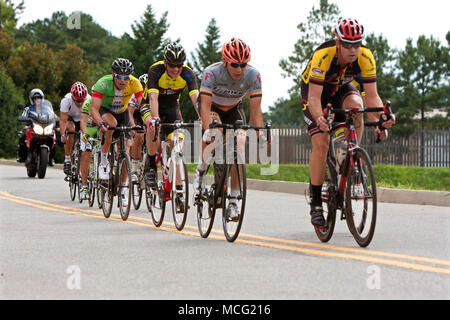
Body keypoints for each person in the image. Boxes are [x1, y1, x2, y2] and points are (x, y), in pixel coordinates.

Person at [300, 18, 396, 228]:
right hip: (316, 94)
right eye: (347, 45)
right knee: (322, 143)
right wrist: (319, 118)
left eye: (357, 44)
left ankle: (351, 156)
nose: (353, 50)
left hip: (342, 90)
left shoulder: (366, 57)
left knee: (357, 105)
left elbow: (372, 96)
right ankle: (316, 203)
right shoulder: (323, 56)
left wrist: (381, 120)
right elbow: (314, 99)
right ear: (338, 42)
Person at [193, 37, 265, 220]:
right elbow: (205, 107)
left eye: (243, 64)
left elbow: (256, 109)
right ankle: (201, 170)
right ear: (225, 62)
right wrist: (206, 130)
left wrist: (260, 132)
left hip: (234, 109)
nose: (239, 69)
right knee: (214, 134)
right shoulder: (212, 73)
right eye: (234, 65)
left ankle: (233, 201)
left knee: (240, 144)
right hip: (213, 108)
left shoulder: (253, 75)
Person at [140, 41, 199, 210]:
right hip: (150, 105)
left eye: (179, 66)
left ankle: (179, 193)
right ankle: (151, 166)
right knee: (153, 126)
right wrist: (155, 118)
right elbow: (153, 98)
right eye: (172, 65)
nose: (175, 70)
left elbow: (196, 99)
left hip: (172, 108)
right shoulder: (155, 70)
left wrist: (203, 118)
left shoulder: (188, 74)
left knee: (177, 148)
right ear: (165, 63)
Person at [90, 58, 143, 207]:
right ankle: (104, 161)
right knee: (111, 125)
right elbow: (94, 108)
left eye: (126, 77)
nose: (123, 80)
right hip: (105, 111)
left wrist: (146, 121)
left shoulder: (135, 83)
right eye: (120, 76)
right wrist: (100, 123)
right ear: (113, 75)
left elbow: (142, 104)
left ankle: (123, 188)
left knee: (127, 146)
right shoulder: (103, 83)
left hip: (122, 112)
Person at [17, 89, 56, 166]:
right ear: (32, 99)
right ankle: (22, 156)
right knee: (22, 136)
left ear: (42, 98)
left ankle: (51, 158)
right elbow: (23, 116)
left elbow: (53, 115)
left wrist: (57, 119)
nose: (37, 99)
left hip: (44, 127)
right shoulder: (28, 109)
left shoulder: (47, 108)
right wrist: (22, 118)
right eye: (35, 98)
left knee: (54, 137)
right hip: (30, 127)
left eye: (39, 97)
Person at [59, 81, 90, 175]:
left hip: (83, 119)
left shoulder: (89, 99)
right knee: (71, 129)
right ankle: (67, 159)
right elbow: (63, 120)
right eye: (77, 100)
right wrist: (63, 134)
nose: (80, 103)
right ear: (72, 97)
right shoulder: (66, 100)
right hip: (71, 118)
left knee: (85, 134)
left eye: (82, 100)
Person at [78, 95, 99, 200]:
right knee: (86, 154)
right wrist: (85, 134)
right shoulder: (87, 103)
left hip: (99, 129)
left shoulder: (106, 103)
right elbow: (83, 121)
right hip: (88, 129)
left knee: (105, 148)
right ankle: (84, 186)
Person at [128, 73, 148, 183]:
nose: (145, 89)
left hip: (147, 115)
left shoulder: (154, 94)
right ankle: (134, 170)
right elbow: (130, 113)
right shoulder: (135, 95)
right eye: (143, 86)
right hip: (136, 116)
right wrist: (132, 127)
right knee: (139, 136)